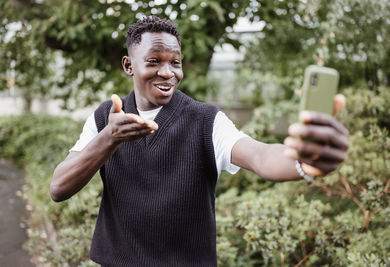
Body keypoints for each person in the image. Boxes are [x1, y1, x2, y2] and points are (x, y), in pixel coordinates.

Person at [50, 16, 348, 266]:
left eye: (175, 62)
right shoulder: (105, 118)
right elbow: (59, 188)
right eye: (154, 61)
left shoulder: (205, 120)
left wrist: (304, 161)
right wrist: (109, 139)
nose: (168, 73)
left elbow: (259, 156)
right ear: (129, 65)